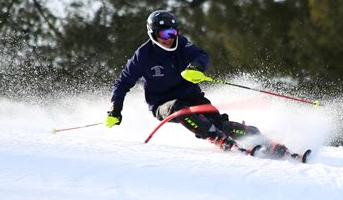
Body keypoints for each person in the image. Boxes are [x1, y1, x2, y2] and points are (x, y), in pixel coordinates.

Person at [105, 9, 288, 157]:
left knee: (221, 124)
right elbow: (122, 83)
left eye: (173, 32)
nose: (170, 37)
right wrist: (115, 109)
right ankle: (217, 138)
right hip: (162, 103)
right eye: (165, 33)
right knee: (179, 108)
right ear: (153, 33)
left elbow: (201, 55)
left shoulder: (181, 43)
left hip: (191, 96)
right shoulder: (142, 56)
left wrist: (195, 67)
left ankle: (263, 141)